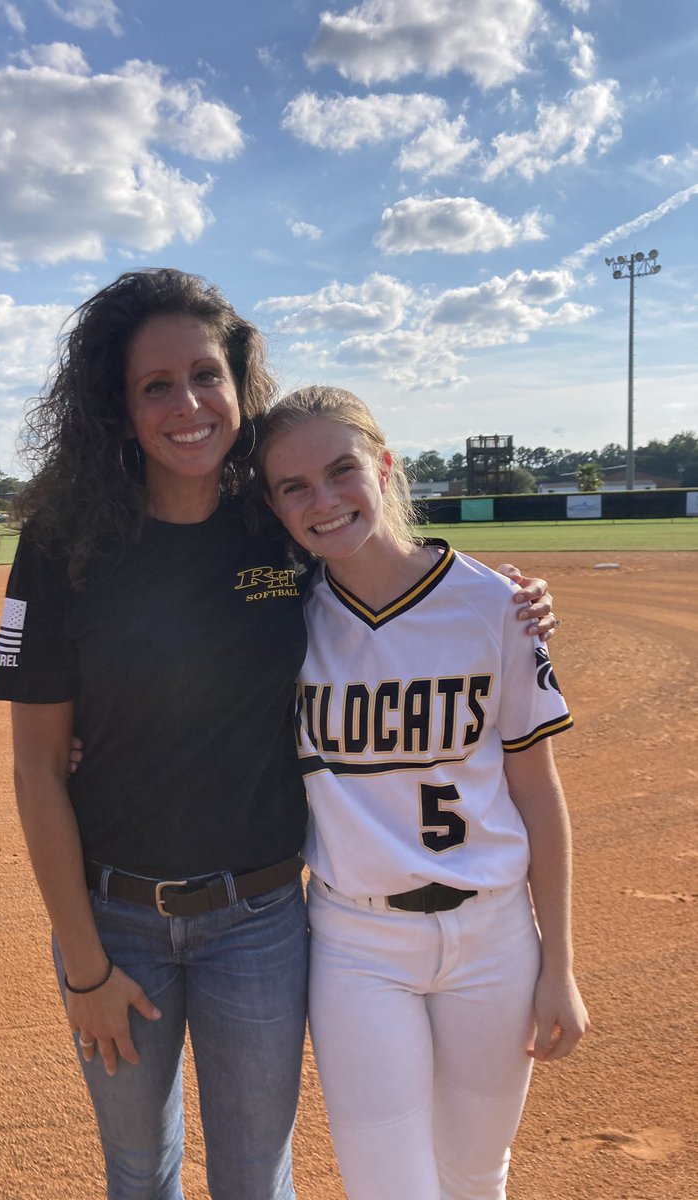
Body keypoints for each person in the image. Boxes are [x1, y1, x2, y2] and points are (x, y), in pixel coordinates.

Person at [0, 268, 559, 1200]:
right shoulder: (64, 543)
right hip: (115, 919)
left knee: (256, 1177)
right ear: (118, 406)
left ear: (238, 383)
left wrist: (511, 599)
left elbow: (381, 560)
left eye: (205, 375)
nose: (187, 405)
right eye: (155, 386)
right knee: (139, 1171)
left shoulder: (275, 521)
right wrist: (85, 968)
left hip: (257, 921)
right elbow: (36, 769)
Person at [254, 385, 589, 1200]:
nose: (323, 500)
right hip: (358, 943)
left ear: (384, 467)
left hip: (495, 936)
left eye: (341, 470)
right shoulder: (278, 623)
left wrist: (560, 965)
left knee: (476, 1175)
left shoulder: (496, 605)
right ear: (273, 506)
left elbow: (538, 792)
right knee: (388, 1188)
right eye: (294, 486)